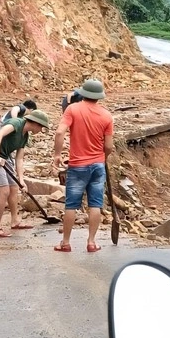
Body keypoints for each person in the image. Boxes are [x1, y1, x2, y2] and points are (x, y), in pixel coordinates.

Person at [52, 78, 114, 253]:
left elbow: (59, 132)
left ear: (84, 93)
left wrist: (57, 155)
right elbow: (108, 146)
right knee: (95, 204)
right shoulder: (107, 116)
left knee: (71, 204)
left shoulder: (72, 109)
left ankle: (65, 243)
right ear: (99, 96)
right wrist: (103, 157)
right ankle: (92, 243)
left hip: (78, 165)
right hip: (98, 165)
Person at [0, 109, 51, 238]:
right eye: (41, 127)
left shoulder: (25, 136)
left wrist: (21, 180)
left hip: (5, 157)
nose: (41, 130)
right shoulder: (16, 123)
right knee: (4, 191)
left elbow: (19, 159)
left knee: (14, 188)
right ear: (36, 123)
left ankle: (15, 221)